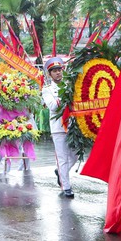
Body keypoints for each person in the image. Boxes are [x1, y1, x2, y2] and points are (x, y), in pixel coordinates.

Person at [42, 57, 78, 198]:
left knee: (75, 156)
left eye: (59, 70)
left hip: (71, 126)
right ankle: (66, 187)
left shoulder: (69, 85)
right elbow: (53, 106)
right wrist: (64, 95)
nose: (58, 73)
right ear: (49, 74)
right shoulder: (47, 90)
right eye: (54, 71)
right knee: (62, 158)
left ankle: (61, 172)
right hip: (58, 128)